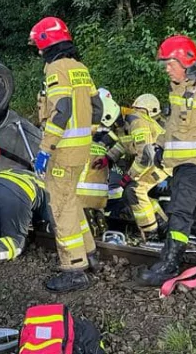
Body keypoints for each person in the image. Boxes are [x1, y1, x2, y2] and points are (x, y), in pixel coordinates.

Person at [140, 35, 196, 287]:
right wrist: (159, 146)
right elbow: (171, 125)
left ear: (185, 61)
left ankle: (171, 262)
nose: (167, 68)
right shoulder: (177, 90)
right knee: (193, 210)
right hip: (178, 164)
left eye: (170, 63)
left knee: (178, 211)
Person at [29, 16, 103, 292]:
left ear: (47, 43)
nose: (38, 52)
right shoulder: (79, 68)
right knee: (71, 201)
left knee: (60, 207)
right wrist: (85, 134)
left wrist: (45, 149)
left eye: (38, 45)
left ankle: (74, 268)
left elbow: (62, 110)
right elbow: (96, 107)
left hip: (62, 151)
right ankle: (89, 252)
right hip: (81, 149)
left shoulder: (56, 69)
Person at [103, 94, 170, 239]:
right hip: (155, 161)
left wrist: (129, 176)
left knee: (134, 189)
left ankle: (150, 232)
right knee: (131, 194)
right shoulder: (124, 123)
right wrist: (109, 158)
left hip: (162, 163)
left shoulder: (137, 122)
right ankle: (162, 224)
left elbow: (145, 156)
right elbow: (125, 144)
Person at [78, 88, 120, 234]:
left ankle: (90, 221)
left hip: (81, 190)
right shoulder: (110, 134)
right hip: (101, 191)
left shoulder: (85, 130)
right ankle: (99, 219)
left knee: (82, 211)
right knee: (97, 207)